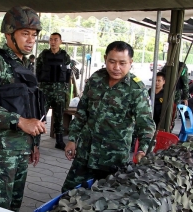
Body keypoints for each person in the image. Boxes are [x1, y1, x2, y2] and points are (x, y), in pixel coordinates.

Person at [62, 41, 155, 192]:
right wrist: (72, 139)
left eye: (122, 63)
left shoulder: (136, 90)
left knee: (106, 202)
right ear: (105, 59)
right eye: (112, 62)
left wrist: (142, 150)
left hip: (113, 158)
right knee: (68, 194)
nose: (116, 67)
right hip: (86, 152)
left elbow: (146, 125)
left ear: (131, 63)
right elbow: (82, 112)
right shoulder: (96, 79)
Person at [0, 6, 46, 212]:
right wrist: (20, 122)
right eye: (25, 34)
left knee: (13, 208)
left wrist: (34, 144)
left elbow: (29, 106)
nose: (31, 40)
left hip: (21, 149)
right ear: (9, 34)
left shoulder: (25, 64)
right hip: (0, 153)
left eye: (34, 35)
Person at [36, 32, 71, 150]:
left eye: (56, 39)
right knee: (41, 116)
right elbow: (38, 71)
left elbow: (68, 74)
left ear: (60, 41)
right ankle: (36, 142)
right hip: (45, 90)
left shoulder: (65, 56)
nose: (53, 42)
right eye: (51, 39)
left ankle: (59, 141)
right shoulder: (43, 55)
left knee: (59, 116)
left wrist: (67, 91)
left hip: (60, 91)